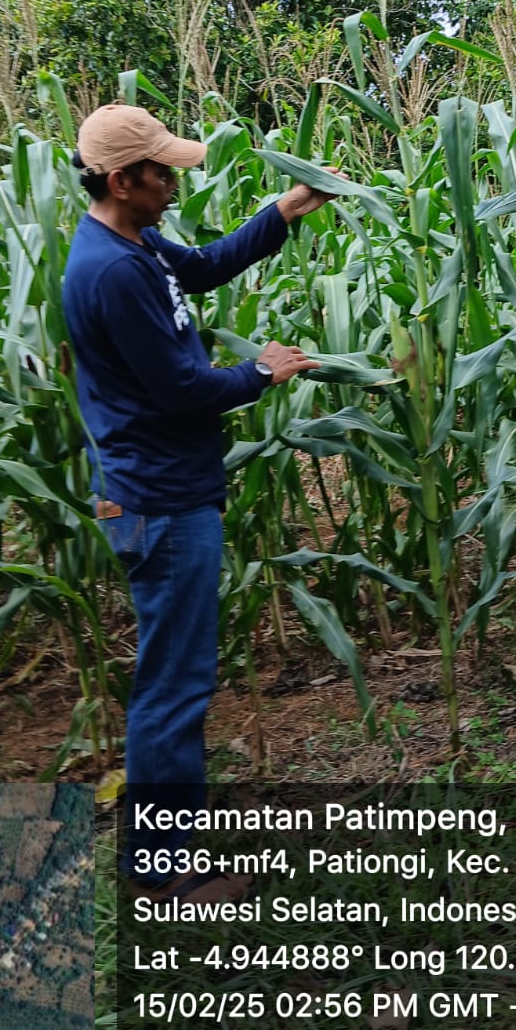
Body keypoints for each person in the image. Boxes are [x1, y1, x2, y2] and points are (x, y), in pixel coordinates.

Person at [62, 102, 337, 899]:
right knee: (173, 686)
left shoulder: (134, 243)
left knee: (172, 677)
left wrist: (285, 209)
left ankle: (163, 852)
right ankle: (163, 868)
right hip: (160, 503)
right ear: (122, 180)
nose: (173, 184)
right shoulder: (112, 271)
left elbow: (205, 267)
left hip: (161, 493)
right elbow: (182, 390)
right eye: (162, 173)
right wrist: (261, 373)